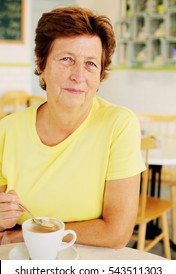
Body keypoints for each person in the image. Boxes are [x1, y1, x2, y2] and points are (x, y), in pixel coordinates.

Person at [0, 6, 145, 247]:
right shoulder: (7, 130)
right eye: (67, 59)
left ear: (100, 75)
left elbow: (117, 233)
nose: (78, 75)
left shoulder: (119, 125)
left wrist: (28, 233)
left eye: (90, 63)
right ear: (41, 65)